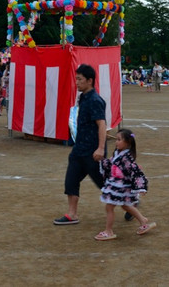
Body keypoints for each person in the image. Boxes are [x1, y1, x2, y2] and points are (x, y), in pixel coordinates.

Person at [53, 64, 107, 226]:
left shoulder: (95, 100)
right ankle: (72, 214)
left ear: (89, 81)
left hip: (93, 151)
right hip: (79, 150)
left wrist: (101, 148)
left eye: (79, 79)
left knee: (105, 184)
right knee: (71, 180)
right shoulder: (83, 97)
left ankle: (131, 203)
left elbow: (102, 125)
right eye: (76, 79)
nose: (76, 82)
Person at [93, 128, 155, 241]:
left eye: (119, 139)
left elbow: (136, 172)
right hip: (118, 186)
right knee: (125, 205)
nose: (116, 142)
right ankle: (143, 221)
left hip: (120, 187)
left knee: (109, 207)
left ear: (127, 142)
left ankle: (108, 231)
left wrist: (140, 187)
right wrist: (101, 160)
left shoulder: (126, 158)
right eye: (116, 139)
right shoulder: (118, 154)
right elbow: (111, 163)